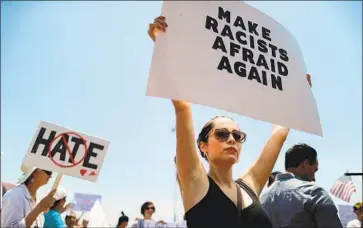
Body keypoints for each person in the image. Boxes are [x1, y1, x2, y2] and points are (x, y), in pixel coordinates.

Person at [148, 16, 312, 228]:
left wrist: (297, 93)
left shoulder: (249, 186)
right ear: (203, 146)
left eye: (237, 135)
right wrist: (161, 41)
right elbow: (182, 106)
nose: (232, 139)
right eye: (222, 134)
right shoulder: (195, 182)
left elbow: (279, 134)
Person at [260, 143, 343, 228]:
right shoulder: (314, 193)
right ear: (305, 164)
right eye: (314, 170)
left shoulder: (262, 198)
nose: (314, 178)